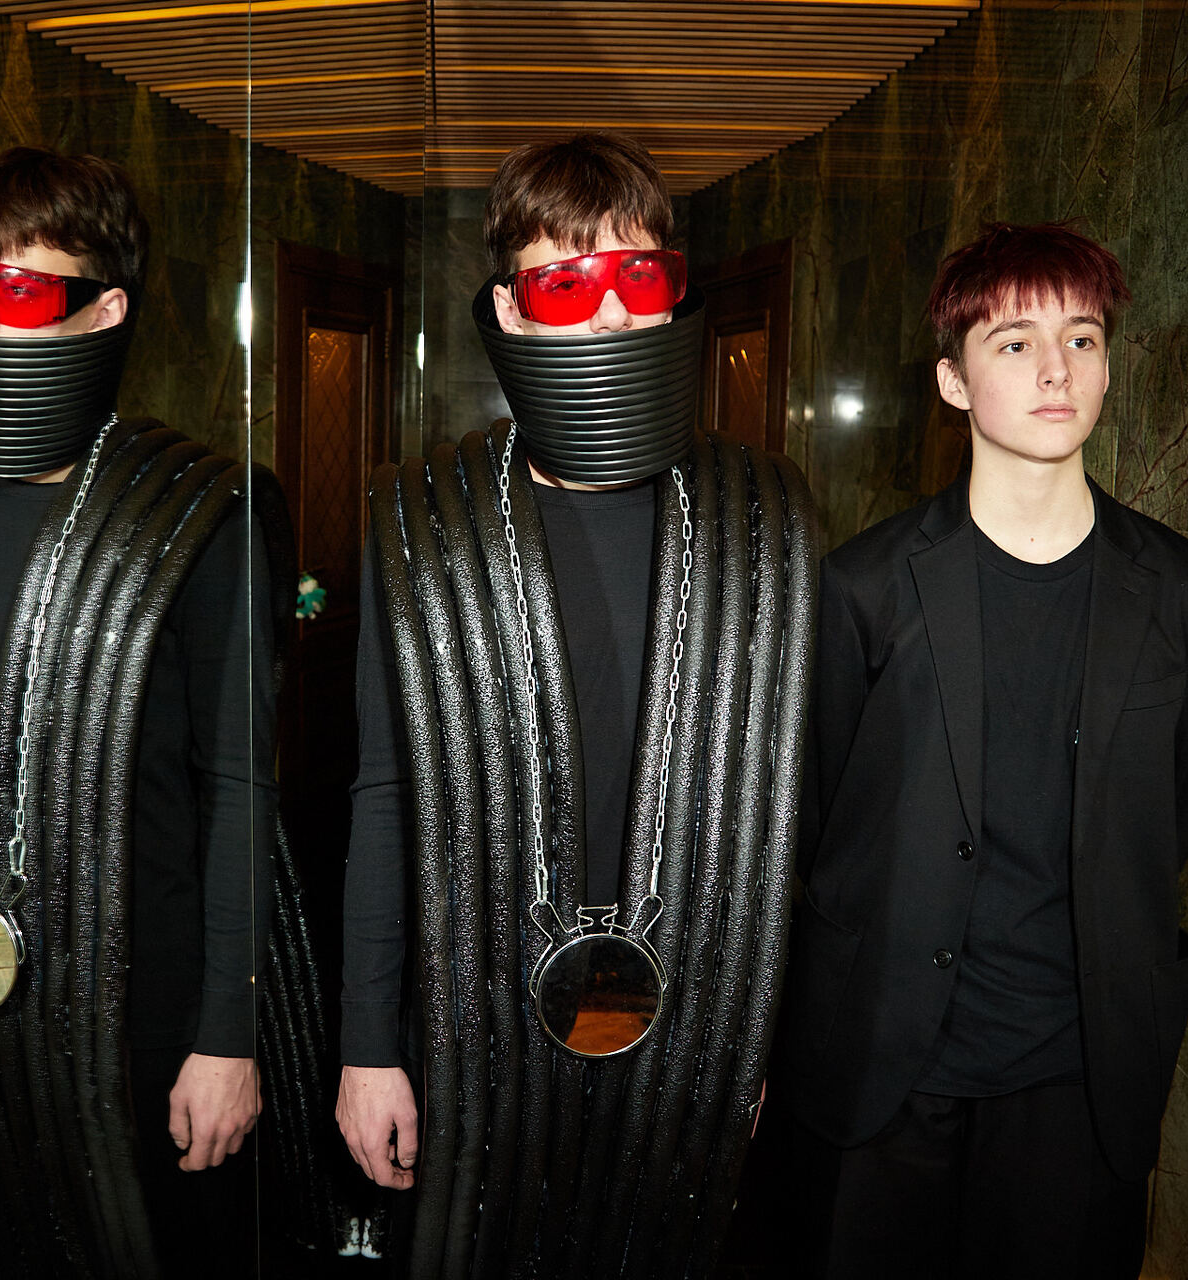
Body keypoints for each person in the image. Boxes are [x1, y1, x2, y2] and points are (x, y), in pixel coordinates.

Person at [0, 147, 313, 1275]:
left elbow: (239, 789)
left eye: (18, 290)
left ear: (104, 310)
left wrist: (225, 1036)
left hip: (145, 1001)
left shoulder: (204, 514)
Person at [336, 133, 816, 1275]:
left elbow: (778, 812)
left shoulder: (759, 522)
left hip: (687, 1019)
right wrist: (366, 1047)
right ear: (509, 310)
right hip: (472, 1015)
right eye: (565, 284)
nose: (607, 314)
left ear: (672, 299)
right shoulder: (425, 525)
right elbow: (384, 796)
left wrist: (752, 1034)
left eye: (637, 276)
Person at [775, 222, 1188, 1277]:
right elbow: (825, 821)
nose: (1055, 369)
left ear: (1107, 367)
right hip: (887, 1062)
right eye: (1015, 342)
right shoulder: (863, 586)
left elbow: (1173, 810)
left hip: (1080, 1072)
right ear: (954, 381)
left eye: (1082, 338)